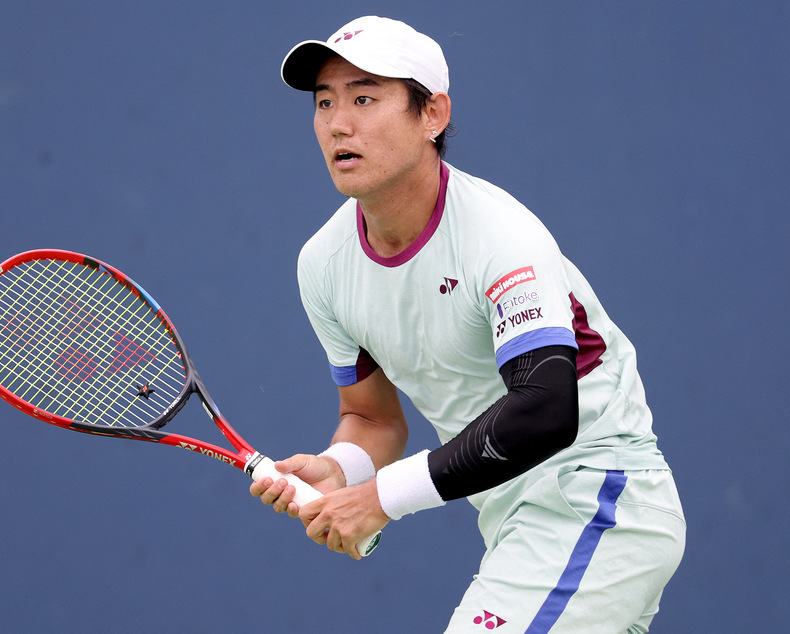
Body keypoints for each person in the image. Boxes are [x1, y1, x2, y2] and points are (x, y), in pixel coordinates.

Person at [250, 15, 685, 633]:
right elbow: (373, 418)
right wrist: (343, 471)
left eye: (365, 97)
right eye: (325, 102)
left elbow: (544, 410)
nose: (338, 123)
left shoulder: (500, 236)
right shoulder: (323, 265)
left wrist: (380, 500)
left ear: (433, 115)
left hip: (597, 501)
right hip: (517, 523)